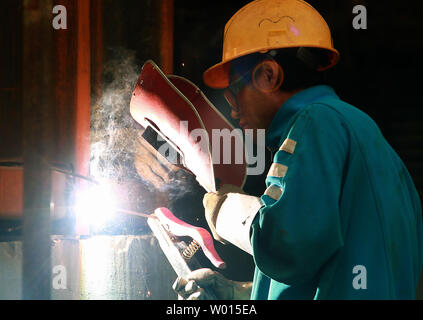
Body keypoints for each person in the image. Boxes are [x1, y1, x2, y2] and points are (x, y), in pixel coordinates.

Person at [173, 0, 423, 299]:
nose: (232, 107)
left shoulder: (316, 122)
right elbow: (326, 271)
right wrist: (235, 294)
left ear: (268, 75)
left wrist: (225, 210)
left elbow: (287, 244)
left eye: (233, 91)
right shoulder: (361, 132)